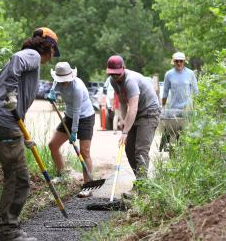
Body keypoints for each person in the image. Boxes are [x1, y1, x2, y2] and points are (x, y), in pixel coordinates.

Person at [0, 27, 60, 241]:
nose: (53, 57)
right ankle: (8, 231)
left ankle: (4, 229)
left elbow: (18, 106)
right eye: (54, 51)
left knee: (15, 177)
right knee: (19, 179)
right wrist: (11, 94)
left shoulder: (31, 63)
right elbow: (16, 61)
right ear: (49, 47)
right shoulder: (32, 55)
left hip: (0, 122)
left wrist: (24, 134)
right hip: (3, 122)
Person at [106, 55, 160, 185]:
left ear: (123, 69)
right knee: (129, 148)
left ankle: (142, 187)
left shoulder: (130, 81)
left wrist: (125, 132)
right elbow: (124, 103)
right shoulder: (113, 81)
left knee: (140, 150)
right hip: (137, 112)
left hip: (149, 112)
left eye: (117, 74)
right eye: (112, 74)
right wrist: (125, 122)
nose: (115, 77)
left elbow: (133, 108)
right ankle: (141, 182)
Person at [46, 62, 95, 198]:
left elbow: (77, 112)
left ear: (71, 76)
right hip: (68, 116)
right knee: (53, 145)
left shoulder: (77, 88)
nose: (63, 82)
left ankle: (88, 186)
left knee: (84, 152)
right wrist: (51, 92)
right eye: (61, 79)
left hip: (84, 117)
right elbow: (55, 82)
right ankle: (62, 174)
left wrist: (73, 132)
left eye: (65, 80)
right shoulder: (58, 81)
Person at [160, 51, 198, 151]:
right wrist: (163, 107)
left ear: (184, 62)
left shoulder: (190, 74)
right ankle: (172, 160)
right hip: (173, 109)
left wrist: (196, 107)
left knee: (185, 136)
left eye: (181, 61)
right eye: (177, 61)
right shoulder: (169, 74)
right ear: (173, 62)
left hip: (187, 109)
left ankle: (183, 160)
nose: (179, 63)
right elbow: (165, 92)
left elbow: (196, 91)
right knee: (173, 136)